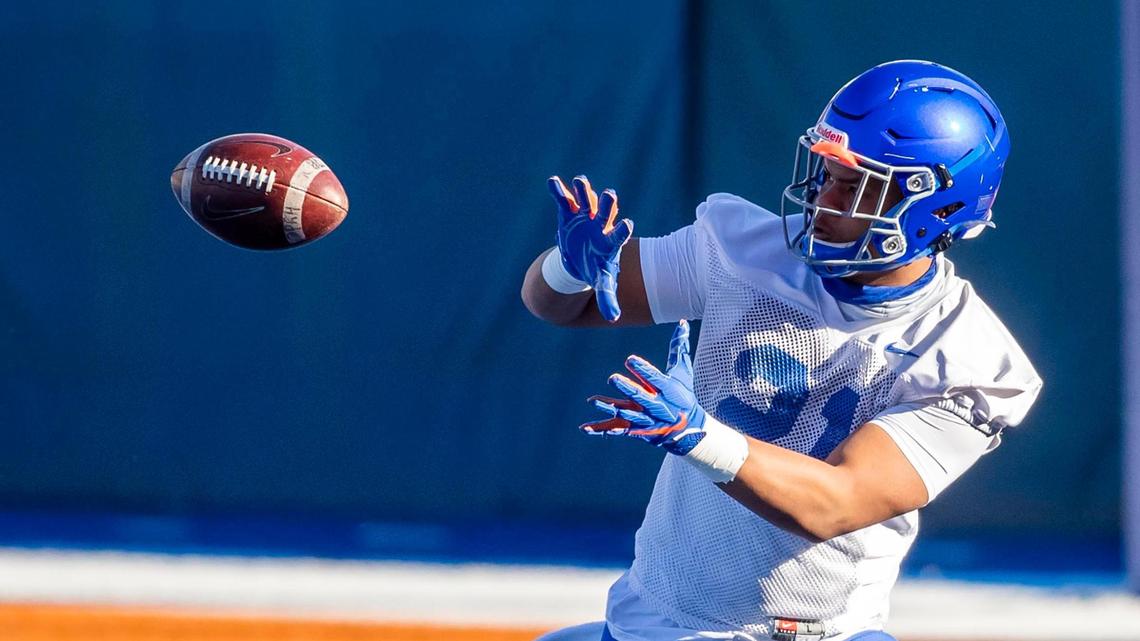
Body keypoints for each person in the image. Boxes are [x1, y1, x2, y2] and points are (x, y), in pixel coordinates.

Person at [521, 60, 1042, 641]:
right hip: (654, 617)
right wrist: (569, 271)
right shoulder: (745, 250)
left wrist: (700, 435)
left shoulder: (969, 358)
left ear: (933, 209)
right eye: (824, 172)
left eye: (856, 185)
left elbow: (837, 503)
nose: (822, 198)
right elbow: (564, 306)